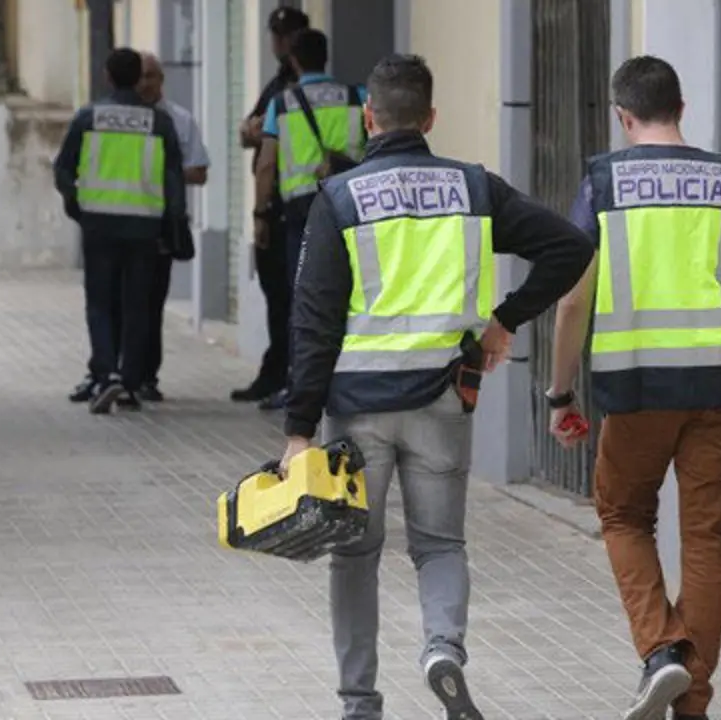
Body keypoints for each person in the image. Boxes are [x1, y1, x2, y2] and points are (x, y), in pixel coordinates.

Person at [280, 54, 595, 720]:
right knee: (440, 546)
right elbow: (570, 248)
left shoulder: (339, 198)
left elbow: (312, 321)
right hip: (441, 401)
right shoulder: (475, 189)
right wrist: (503, 322)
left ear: (369, 117)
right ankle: (442, 650)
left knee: (355, 555)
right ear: (430, 118)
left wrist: (298, 430)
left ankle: (360, 702)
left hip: (356, 412)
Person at [547, 55, 721, 720]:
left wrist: (560, 393)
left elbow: (573, 300)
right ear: (681, 108)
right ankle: (692, 702)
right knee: (709, 536)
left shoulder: (604, 179)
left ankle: (663, 654)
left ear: (624, 117)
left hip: (637, 385)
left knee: (624, 514)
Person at [55, 48, 186, 414]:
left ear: (108, 76)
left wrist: (77, 207)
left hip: (99, 225)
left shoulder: (88, 118)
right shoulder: (160, 123)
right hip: (145, 227)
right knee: (137, 306)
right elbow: (173, 181)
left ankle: (107, 373)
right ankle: (130, 383)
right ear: (136, 78)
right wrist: (172, 225)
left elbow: (63, 171)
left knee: (100, 304)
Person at [253, 27, 366, 410]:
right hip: (352, 203)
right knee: (352, 293)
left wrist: (260, 215)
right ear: (326, 56)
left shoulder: (283, 102)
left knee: (303, 297)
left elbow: (266, 163)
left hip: (302, 211)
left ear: (295, 60)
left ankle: (301, 385)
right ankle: (347, 376)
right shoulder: (357, 96)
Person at [230, 6, 311, 405]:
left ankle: (291, 376)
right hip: (284, 206)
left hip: (288, 205)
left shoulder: (297, 89)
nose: (279, 42)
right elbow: (248, 131)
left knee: (292, 296)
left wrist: (261, 213)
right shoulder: (277, 82)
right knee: (278, 294)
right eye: (276, 34)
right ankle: (277, 371)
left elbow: (264, 147)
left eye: (286, 35)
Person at [137, 51, 211, 402]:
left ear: (161, 80)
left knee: (151, 306)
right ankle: (118, 374)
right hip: (122, 229)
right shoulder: (117, 118)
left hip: (161, 229)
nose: (144, 83)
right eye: (139, 76)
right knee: (121, 305)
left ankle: (147, 376)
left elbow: (199, 171)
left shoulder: (179, 120)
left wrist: (164, 175)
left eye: (151, 75)